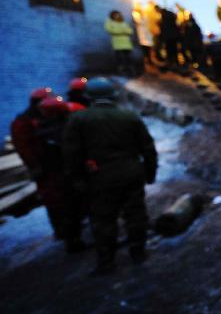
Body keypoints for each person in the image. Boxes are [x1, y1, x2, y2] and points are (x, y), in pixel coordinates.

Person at [63, 78, 157, 275]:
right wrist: (150, 173)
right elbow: (148, 149)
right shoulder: (129, 117)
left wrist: (77, 179)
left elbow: (72, 154)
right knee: (135, 215)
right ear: (113, 96)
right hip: (131, 173)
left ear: (88, 97)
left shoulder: (79, 119)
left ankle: (106, 262)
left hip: (100, 177)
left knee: (103, 219)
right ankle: (138, 253)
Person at [34, 96, 85, 252]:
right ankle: (74, 240)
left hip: (57, 175)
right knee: (74, 206)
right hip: (68, 174)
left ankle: (72, 239)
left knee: (67, 208)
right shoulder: (62, 131)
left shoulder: (41, 130)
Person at [11, 87, 52, 186]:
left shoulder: (46, 116)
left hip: (51, 161)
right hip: (40, 163)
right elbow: (23, 147)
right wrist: (34, 165)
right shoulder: (23, 122)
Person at [104, 10, 134, 75]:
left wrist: (122, 31)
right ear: (112, 16)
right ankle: (121, 70)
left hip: (127, 44)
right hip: (118, 44)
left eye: (118, 14)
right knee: (120, 58)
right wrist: (124, 31)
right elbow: (110, 30)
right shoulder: (110, 22)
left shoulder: (123, 22)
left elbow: (131, 31)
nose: (117, 16)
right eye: (115, 15)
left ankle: (129, 70)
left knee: (128, 58)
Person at [132, 2, 152, 72]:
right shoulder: (136, 15)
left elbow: (145, 22)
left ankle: (149, 60)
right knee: (144, 48)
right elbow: (138, 21)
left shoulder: (144, 15)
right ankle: (145, 61)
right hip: (141, 34)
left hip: (146, 34)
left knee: (148, 48)